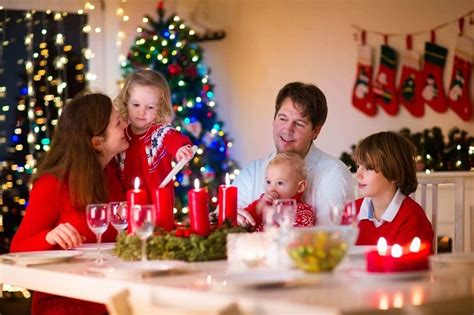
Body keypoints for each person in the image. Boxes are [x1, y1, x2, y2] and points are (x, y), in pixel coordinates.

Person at [11, 93, 129, 314]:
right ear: (97, 142)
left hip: (111, 297)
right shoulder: (52, 184)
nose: (126, 124)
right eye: (117, 123)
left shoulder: (113, 177)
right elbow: (18, 247)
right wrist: (49, 236)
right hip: (67, 303)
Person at [233, 82, 355, 225]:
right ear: (273, 120)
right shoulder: (252, 172)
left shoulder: (334, 173)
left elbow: (330, 239)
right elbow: (222, 224)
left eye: (299, 123)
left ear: (315, 131)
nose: (288, 129)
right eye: (283, 118)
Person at [115, 69, 194, 203]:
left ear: (160, 108)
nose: (141, 112)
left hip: (158, 207)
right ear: (126, 103)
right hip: (127, 208)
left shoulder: (159, 133)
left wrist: (180, 149)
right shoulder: (121, 135)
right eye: (136, 104)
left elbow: (173, 137)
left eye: (150, 107)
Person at [354, 131, 434, 248]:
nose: (358, 175)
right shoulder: (352, 211)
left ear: (394, 175)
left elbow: (411, 264)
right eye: (358, 166)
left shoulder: (413, 218)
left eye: (368, 168)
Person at [243, 152, 316, 230]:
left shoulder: (303, 211)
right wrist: (258, 210)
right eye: (268, 182)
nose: (271, 189)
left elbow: (297, 237)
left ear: (300, 187)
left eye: (280, 183)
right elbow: (241, 224)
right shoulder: (263, 202)